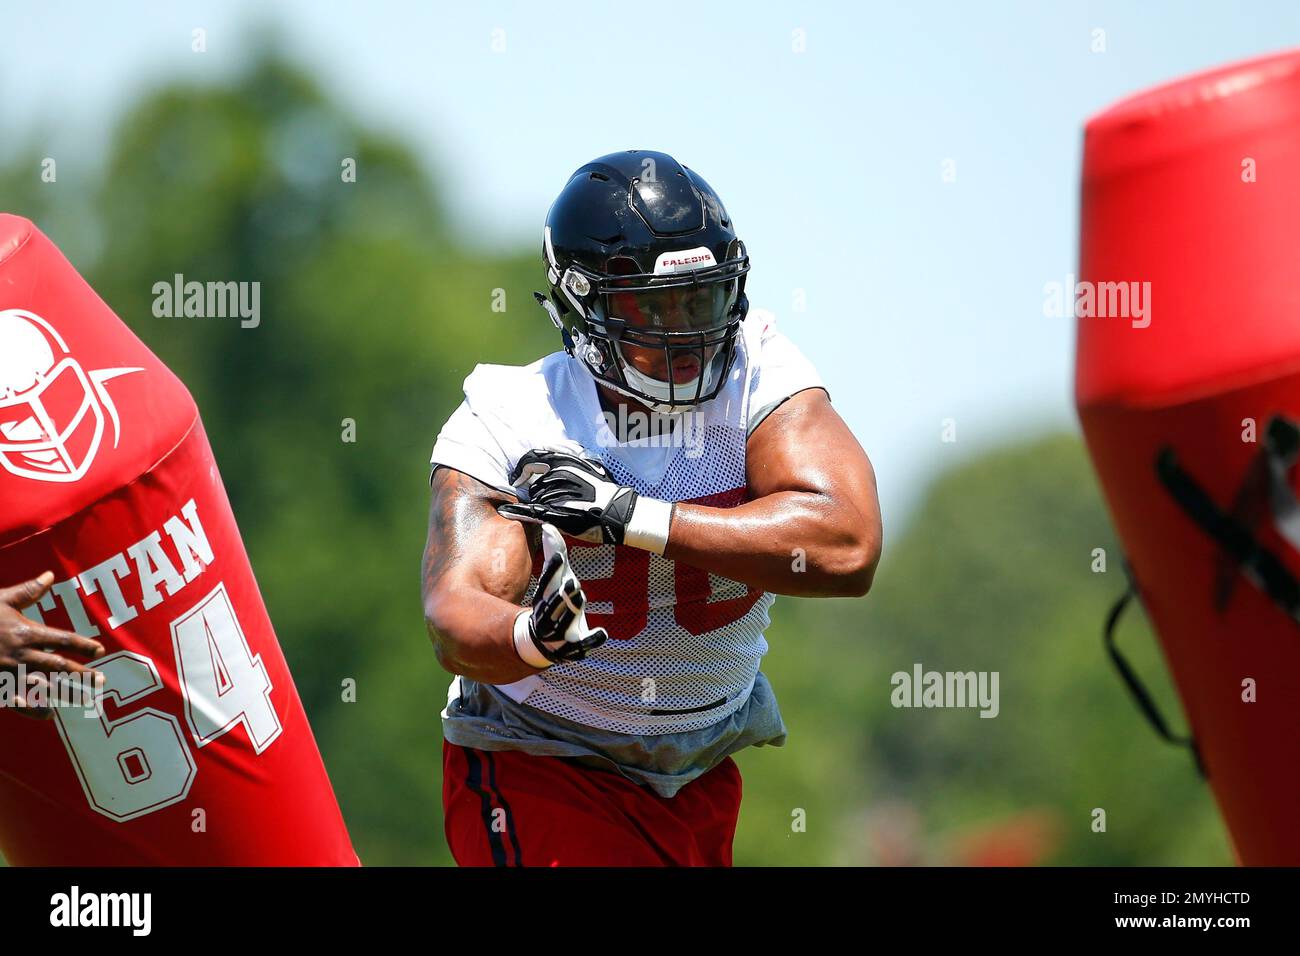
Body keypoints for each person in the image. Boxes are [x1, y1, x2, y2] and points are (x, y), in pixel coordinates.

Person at [423, 150, 882, 866]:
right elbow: (455, 612)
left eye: (698, 301)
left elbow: (847, 547)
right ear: (581, 305)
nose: (682, 334)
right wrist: (527, 638)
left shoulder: (759, 373)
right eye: (650, 306)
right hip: (545, 760)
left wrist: (630, 517)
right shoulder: (515, 418)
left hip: (699, 768)